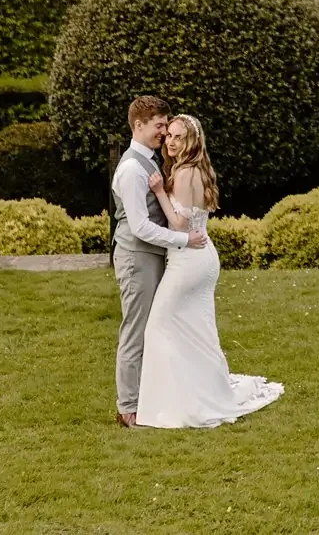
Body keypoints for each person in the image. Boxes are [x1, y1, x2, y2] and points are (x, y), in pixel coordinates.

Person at [132, 113, 283, 429]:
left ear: (192, 142)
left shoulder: (186, 174)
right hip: (197, 259)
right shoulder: (190, 169)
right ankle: (198, 391)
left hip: (190, 260)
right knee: (194, 331)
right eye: (169, 135)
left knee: (159, 326)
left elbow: (181, 224)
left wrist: (159, 190)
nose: (171, 142)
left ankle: (176, 404)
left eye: (178, 137)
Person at [111, 95, 205, 426]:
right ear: (139, 125)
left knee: (154, 329)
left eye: (166, 126)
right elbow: (139, 226)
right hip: (137, 258)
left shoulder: (150, 160)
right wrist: (184, 239)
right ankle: (128, 408)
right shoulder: (132, 169)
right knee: (135, 332)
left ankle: (149, 398)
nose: (164, 133)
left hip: (152, 256)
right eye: (159, 126)